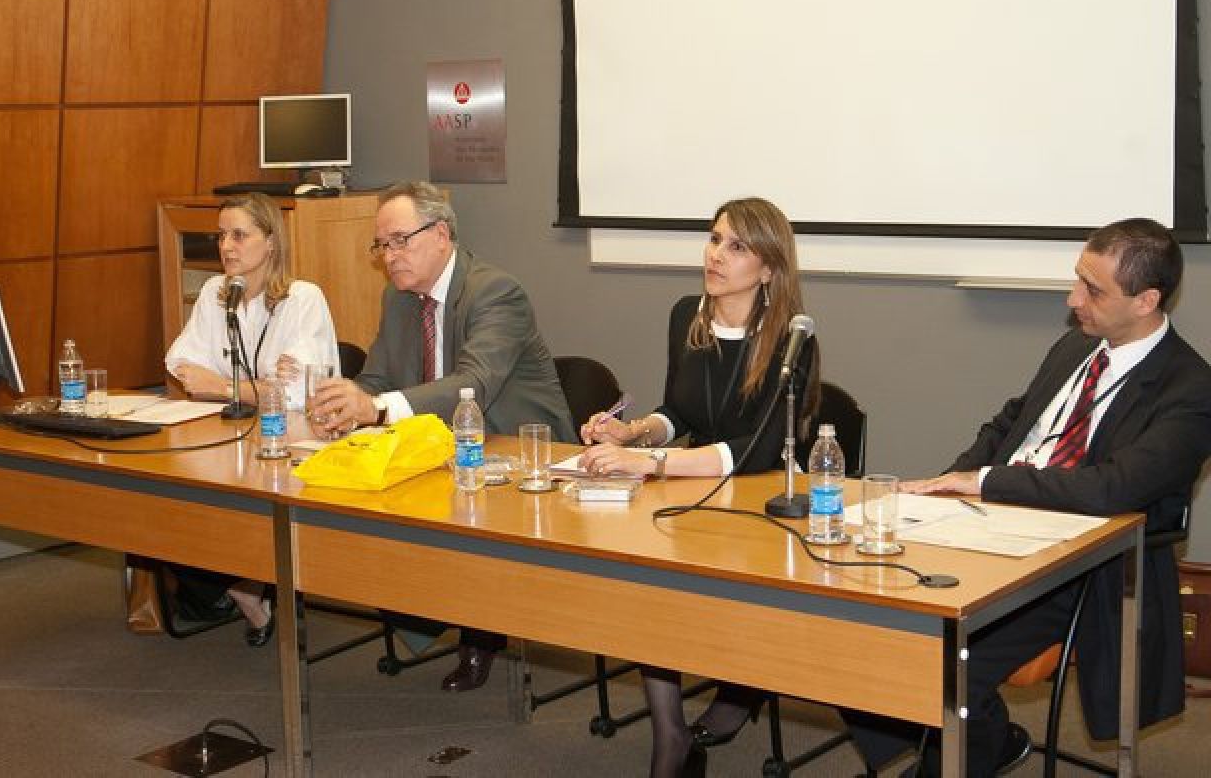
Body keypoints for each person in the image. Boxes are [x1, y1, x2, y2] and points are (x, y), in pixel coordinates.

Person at [844, 218, 1211, 777]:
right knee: (850, 615)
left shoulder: (1191, 387)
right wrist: (949, 483)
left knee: (940, 662)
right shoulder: (1075, 347)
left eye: (1092, 289)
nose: (1073, 299)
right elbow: (1010, 424)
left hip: (1075, 561)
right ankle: (986, 741)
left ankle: (960, 754)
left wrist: (986, 483)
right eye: (1077, 280)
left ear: (1146, 301)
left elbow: (1114, 488)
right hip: (982, 523)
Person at [578, 197, 819, 778]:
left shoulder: (792, 339)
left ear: (768, 268)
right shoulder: (686, 314)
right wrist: (634, 432)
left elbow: (759, 449)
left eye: (737, 246)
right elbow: (678, 411)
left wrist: (652, 464)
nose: (716, 255)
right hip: (692, 488)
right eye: (714, 240)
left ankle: (742, 682)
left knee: (715, 583)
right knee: (646, 580)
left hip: (761, 503)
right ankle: (672, 736)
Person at [311, 180, 574, 691]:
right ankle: (433, 612)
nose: (390, 256)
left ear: (441, 234)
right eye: (381, 245)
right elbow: (378, 378)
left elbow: (473, 384)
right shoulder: (399, 298)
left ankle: (480, 628)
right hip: (441, 448)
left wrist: (376, 408)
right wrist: (347, 405)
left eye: (400, 240)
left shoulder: (495, 291)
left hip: (519, 456)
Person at [164, 192, 340, 646]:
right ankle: (244, 591)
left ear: (271, 242)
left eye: (239, 235)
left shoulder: (303, 299)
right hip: (230, 440)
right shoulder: (215, 293)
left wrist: (224, 385)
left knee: (240, 501)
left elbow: (295, 393)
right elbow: (182, 364)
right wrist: (256, 386)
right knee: (172, 501)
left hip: (289, 447)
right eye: (221, 236)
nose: (226, 246)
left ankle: (249, 585)